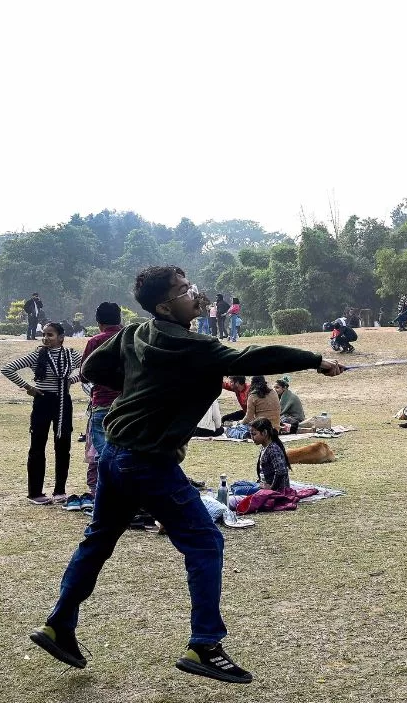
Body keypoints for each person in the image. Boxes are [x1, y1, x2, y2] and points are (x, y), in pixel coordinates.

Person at [28, 264, 345, 684]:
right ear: (164, 304)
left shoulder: (134, 334)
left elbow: (94, 369)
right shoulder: (194, 346)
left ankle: (59, 625)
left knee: (100, 538)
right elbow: (253, 357)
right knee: (205, 541)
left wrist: (143, 381)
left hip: (115, 453)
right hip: (148, 461)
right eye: (183, 289)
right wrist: (316, 360)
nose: (194, 293)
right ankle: (205, 645)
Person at [2, 322, 84, 504]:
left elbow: (89, 369)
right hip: (42, 401)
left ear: (61, 337)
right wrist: (28, 387)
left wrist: (73, 379)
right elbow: (7, 369)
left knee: (63, 446)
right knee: (38, 445)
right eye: (44, 335)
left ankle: (60, 490)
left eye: (51, 335)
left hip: (63, 401)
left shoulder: (71, 355)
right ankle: (35, 492)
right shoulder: (38, 355)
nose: (46, 338)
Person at [80, 303, 125, 498]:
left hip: (102, 403)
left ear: (98, 322)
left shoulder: (96, 341)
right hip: (127, 403)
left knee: (103, 453)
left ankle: (102, 492)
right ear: (120, 318)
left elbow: (84, 374)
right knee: (125, 449)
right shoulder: (131, 338)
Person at [249, 418, 291, 492]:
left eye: (254, 434)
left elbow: (281, 471)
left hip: (275, 489)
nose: (252, 437)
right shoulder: (264, 446)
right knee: (237, 484)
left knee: (237, 490)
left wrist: (272, 488)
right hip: (263, 484)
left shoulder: (273, 449)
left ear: (264, 433)